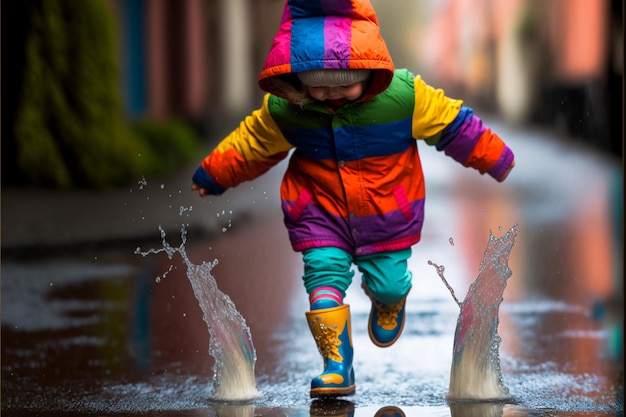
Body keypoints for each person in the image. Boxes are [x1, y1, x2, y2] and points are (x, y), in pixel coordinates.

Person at [192, 0, 515, 399]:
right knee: (322, 276)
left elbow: (452, 123)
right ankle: (335, 365)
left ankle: (389, 302)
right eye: (321, 85)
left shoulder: (403, 96)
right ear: (298, 79)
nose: (333, 94)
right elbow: (253, 143)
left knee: (391, 285)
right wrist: (214, 172)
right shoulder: (289, 109)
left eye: (345, 83)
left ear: (369, 69)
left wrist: (495, 156)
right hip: (319, 211)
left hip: (387, 215)